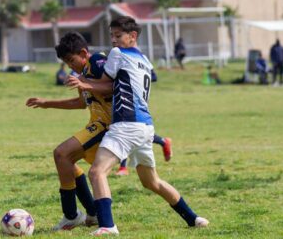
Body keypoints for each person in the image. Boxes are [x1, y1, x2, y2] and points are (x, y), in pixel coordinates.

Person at [71, 16, 209, 235]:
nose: (114, 41)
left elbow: (106, 84)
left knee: (97, 172)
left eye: (118, 36)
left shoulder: (117, 54)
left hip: (126, 124)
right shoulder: (145, 60)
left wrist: (83, 83)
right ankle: (194, 218)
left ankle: (107, 226)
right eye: (112, 36)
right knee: (152, 181)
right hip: (146, 127)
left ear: (132, 36)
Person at [25, 32, 112, 231]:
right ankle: (92, 212)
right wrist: (47, 103)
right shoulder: (81, 75)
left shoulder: (98, 61)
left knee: (61, 153)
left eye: (72, 61)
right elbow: (81, 103)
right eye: (67, 63)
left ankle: (71, 215)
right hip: (96, 124)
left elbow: (113, 87)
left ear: (83, 53)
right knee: (66, 160)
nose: (71, 66)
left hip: (108, 125)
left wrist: (84, 83)